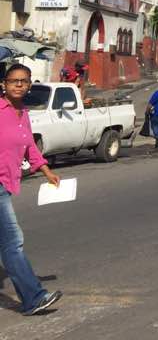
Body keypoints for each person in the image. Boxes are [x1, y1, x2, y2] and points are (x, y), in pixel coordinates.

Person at [0, 63, 63, 316]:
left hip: (5, 183)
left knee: (9, 242)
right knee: (12, 242)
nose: (18, 85)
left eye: (24, 81)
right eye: (13, 80)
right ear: (3, 83)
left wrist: (46, 171)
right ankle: (33, 298)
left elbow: (29, 147)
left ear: (29, 85)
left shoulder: (22, 113)